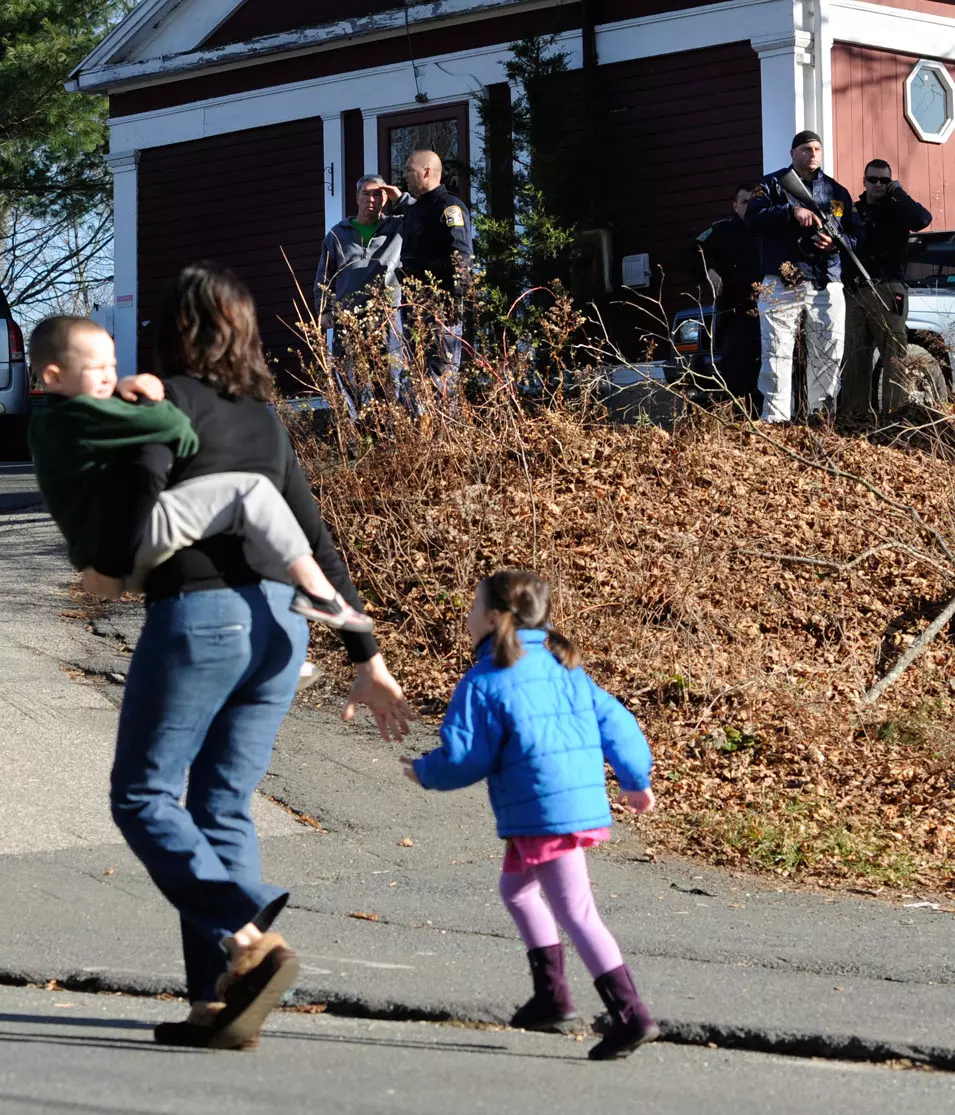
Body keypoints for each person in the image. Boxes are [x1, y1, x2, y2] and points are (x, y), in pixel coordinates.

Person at [81, 263, 411, 1050]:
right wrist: (366, 653)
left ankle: (247, 933)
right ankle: (222, 1001)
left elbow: (136, 511)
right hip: (280, 627)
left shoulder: (162, 406)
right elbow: (317, 539)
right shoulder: (264, 419)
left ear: (176, 327)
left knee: (143, 795)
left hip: (204, 616)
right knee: (219, 807)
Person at [401, 570, 658, 1061]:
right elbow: (617, 722)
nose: (467, 615)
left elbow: (465, 757)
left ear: (496, 617)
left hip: (546, 812)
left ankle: (630, 1016)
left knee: (577, 912)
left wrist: (425, 772)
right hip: (559, 807)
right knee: (517, 891)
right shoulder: (566, 669)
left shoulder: (485, 681)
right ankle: (552, 998)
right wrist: (634, 779)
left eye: (474, 607)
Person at [28, 315, 371, 632]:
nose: (108, 375)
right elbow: (173, 425)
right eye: (95, 368)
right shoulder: (80, 415)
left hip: (106, 548)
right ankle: (316, 591)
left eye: (112, 366)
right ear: (53, 377)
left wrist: (120, 391)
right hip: (127, 540)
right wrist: (146, 390)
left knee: (225, 528)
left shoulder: (49, 422)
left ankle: (260, 643)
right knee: (250, 492)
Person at [745, 130, 862, 423]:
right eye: (807, 149)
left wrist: (837, 243)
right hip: (783, 281)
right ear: (792, 153)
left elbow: (857, 236)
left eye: (817, 150)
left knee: (828, 353)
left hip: (826, 280)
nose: (813, 155)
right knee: (776, 354)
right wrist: (790, 211)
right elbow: (753, 217)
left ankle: (820, 420)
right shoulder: (768, 185)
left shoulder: (837, 192)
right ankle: (775, 422)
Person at [841, 159, 932, 419]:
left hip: (888, 289)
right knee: (856, 356)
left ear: (890, 182)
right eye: (873, 179)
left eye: (884, 180)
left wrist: (899, 193)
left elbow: (922, 219)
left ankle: (894, 415)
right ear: (864, 181)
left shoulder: (899, 209)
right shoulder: (854, 211)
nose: (878, 184)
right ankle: (855, 416)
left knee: (894, 354)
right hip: (855, 291)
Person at [314, 175, 405, 416]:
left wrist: (402, 198)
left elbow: (423, 219)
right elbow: (325, 276)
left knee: (388, 378)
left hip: (386, 318)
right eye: (366, 193)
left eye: (378, 194)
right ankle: (359, 434)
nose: (372, 199)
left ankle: (387, 435)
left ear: (386, 198)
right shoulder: (338, 234)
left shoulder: (398, 227)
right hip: (349, 318)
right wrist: (323, 309)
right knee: (350, 379)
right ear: (357, 198)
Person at [395, 149, 473, 400]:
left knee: (441, 383)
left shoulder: (449, 207)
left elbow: (460, 257)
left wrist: (454, 303)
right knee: (418, 383)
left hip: (441, 312)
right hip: (415, 310)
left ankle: (447, 438)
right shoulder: (416, 210)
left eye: (409, 169)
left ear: (427, 172)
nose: (404, 174)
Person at [693, 183, 762, 412]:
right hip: (735, 315)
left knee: (769, 375)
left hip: (769, 313)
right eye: (744, 202)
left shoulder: (770, 228)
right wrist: (708, 271)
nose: (749, 207)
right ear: (735, 206)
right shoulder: (722, 230)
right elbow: (689, 254)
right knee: (736, 375)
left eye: (754, 202)